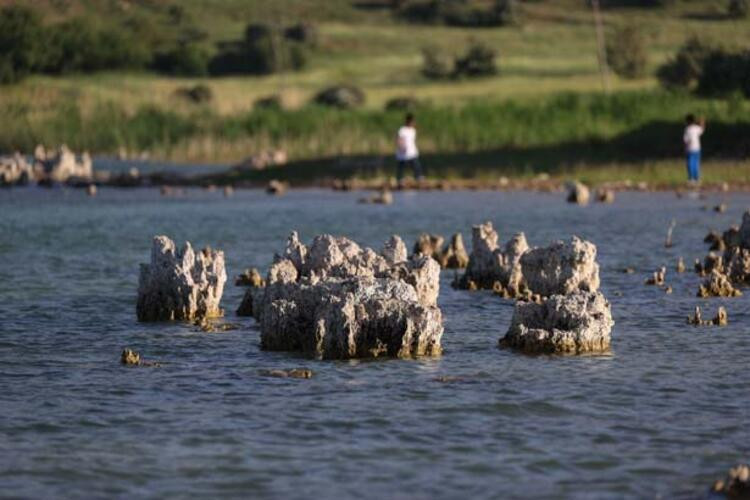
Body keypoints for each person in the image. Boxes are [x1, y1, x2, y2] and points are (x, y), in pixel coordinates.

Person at [395, 113, 423, 188]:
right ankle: (400, 180)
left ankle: (419, 178)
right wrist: (401, 147)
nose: (413, 123)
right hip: (403, 152)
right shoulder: (402, 129)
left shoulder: (413, 130)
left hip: (412, 151)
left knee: (416, 165)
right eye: (412, 121)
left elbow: (412, 141)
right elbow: (399, 139)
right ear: (408, 121)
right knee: (401, 166)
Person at [683, 114, 705, 183]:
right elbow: (702, 130)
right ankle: (697, 178)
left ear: (688, 121)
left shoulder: (687, 129)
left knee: (690, 163)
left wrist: (686, 147)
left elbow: (686, 140)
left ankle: (691, 178)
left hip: (690, 149)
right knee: (696, 163)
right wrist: (702, 123)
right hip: (697, 148)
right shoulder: (696, 127)